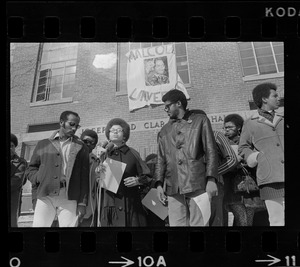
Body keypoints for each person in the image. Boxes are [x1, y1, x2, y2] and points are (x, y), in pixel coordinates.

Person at [155, 89, 219, 226]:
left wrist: (211, 179)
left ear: (178, 103)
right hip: (173, 187)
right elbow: (160, 159)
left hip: (197, 182)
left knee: (200, 225)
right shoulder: (164, 130)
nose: (165, 109)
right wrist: (159, 184)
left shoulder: (200, 120)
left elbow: (211, 151)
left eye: (167, 106)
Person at [25, 111, 90, 227]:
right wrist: (39, 178)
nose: (74, 128)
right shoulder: (43, 144)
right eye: (71, 124)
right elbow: (31, 168)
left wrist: (82, 203)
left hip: (69, 196)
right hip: (45, 195)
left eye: (77, 125)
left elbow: (84, 177)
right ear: (61, 122)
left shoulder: (81, 147)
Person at [238, 83, 284, 226]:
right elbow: (243, 148)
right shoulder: (250, 123)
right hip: (270, 179)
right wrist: (256, 157)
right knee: (277, 220)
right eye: (274, 95)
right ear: (264, 99)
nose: (279, 98)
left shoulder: (283, 119)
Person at [100, 118, 152, 227]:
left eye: (118, 130)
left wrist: (138, 180)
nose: (114, 132)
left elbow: (148, 176)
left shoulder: (133, 153)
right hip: (110, 207)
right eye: (112, 130)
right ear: (108, 135)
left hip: (131, 206)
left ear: (125, 135)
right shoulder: (102, 154)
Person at [223, 113, 266, 226]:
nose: (227, 130)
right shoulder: (223, 143)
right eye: (225, 127)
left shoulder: (248, 141)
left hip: (249, 188)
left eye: (230, 127)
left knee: (248, 220)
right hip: (232, 188)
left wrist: (246, 161)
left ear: (239, 127)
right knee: (242, 220)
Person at [79, 129, 101, 227]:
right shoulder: (70, 158)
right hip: (67, 207)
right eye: (85, 141)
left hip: (88, 211)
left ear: (94, 146)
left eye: (91, 143)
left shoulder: (97, 162)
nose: (88, 144)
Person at [10, 133, 27, 227]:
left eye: (11, 146)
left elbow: (16, 182)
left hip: (12, 201)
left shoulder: (21, 162)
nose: (10, 148)